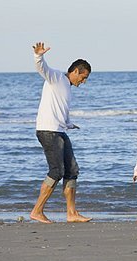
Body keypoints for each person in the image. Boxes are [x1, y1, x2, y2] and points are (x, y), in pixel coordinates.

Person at [29, 42, 92, 224]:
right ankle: (37, 211)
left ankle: (72, 213)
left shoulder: (66, 86)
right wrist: (38, 56)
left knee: (72, 171)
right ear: (75, 72)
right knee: (56, 171)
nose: (84, 81)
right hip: (48, 131)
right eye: (83, 77)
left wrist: (69, 124)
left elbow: (59, 110)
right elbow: (42, 68)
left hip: (59, 131)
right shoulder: (56, 77)